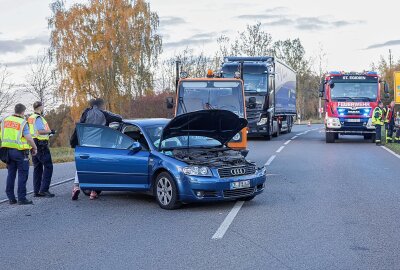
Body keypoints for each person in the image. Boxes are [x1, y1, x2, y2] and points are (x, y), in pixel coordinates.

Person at [71, 98, 123, 200]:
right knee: (95, 167)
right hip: (97, 145)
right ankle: (93, 192)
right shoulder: (104, 114)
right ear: (100, 106)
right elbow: (119, 118)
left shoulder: (86, 113)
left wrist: (74, 142)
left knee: (81, 166)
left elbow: (79, 126)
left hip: (85, 144)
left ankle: (76, 187)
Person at [0, 104, 37, 205]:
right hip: (20, 152)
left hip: (7, 151)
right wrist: (34, 147)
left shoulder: (5, 120)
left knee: (11, 174)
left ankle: (11, 198)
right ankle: (21, 198)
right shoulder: (22, 122)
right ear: (22, 112)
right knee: (22, 174)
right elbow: (28, 138)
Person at [28, 101, 56, 198]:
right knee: (48, 166)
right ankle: (44, 190)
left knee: (37, 167)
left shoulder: (30, 118)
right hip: (41, 145)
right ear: (40, 107)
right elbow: (40, 131)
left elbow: (33, 132)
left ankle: (37, 190)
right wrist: (50, 131)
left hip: (33, 143)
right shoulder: (38, 118)